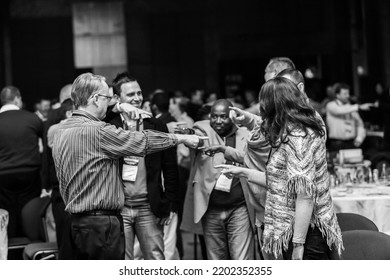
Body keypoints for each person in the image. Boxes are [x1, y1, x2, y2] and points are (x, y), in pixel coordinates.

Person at [51, 73, 203, 259]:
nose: (109, 104)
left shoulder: (61, 131)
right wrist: (181, 138)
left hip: (75, 223)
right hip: (101, 225)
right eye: (107, 98)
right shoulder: (98, 131)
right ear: (95, 99)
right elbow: (142, 141)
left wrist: (120, 105)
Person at [257, 77, 343, 259]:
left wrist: (298, 246)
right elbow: (280, 181)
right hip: (301, 229)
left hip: (306, 235)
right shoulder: (291, 129)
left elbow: (305, 195)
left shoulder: (297, 136)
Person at [107, 72, 179, 260]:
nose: (137, 98)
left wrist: (169, 204)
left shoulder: (156, 125)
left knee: (156, 259)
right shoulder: (109, 125)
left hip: (149, 206)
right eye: (130, 95)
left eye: (139, 93)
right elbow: (92, 119)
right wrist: (117, 108)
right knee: (123, 262)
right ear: (118, 98)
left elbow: (170, 168)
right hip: (118, 208)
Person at [187, 99, 255, 260]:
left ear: (232, 116)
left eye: (223, 117)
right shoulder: (203, 129)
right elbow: (195, 134)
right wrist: (188, 134)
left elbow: (250, 160)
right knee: (216, 260)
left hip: (239, 208)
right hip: (211, 209)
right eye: (214, 116)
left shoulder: (246, 134)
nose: (218, 121)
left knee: (242, 260)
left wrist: (224, 150)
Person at [0, 86, 43, 238]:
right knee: (29, 210)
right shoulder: (32, 118)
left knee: (6, 212)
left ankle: (10, 249)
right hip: (29, 173)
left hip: (3, 175)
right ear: (17, 98)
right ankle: (30, 243)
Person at [326, 83, 373, 152]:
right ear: (337, 95)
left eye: (348, 93)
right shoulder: (331, 105)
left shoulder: (351, 108)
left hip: (351, 143)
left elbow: (360, 124)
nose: (348, 96)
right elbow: (339, 111)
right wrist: (359, 107)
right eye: (345, 94)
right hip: (336, 144)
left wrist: (359, 138)